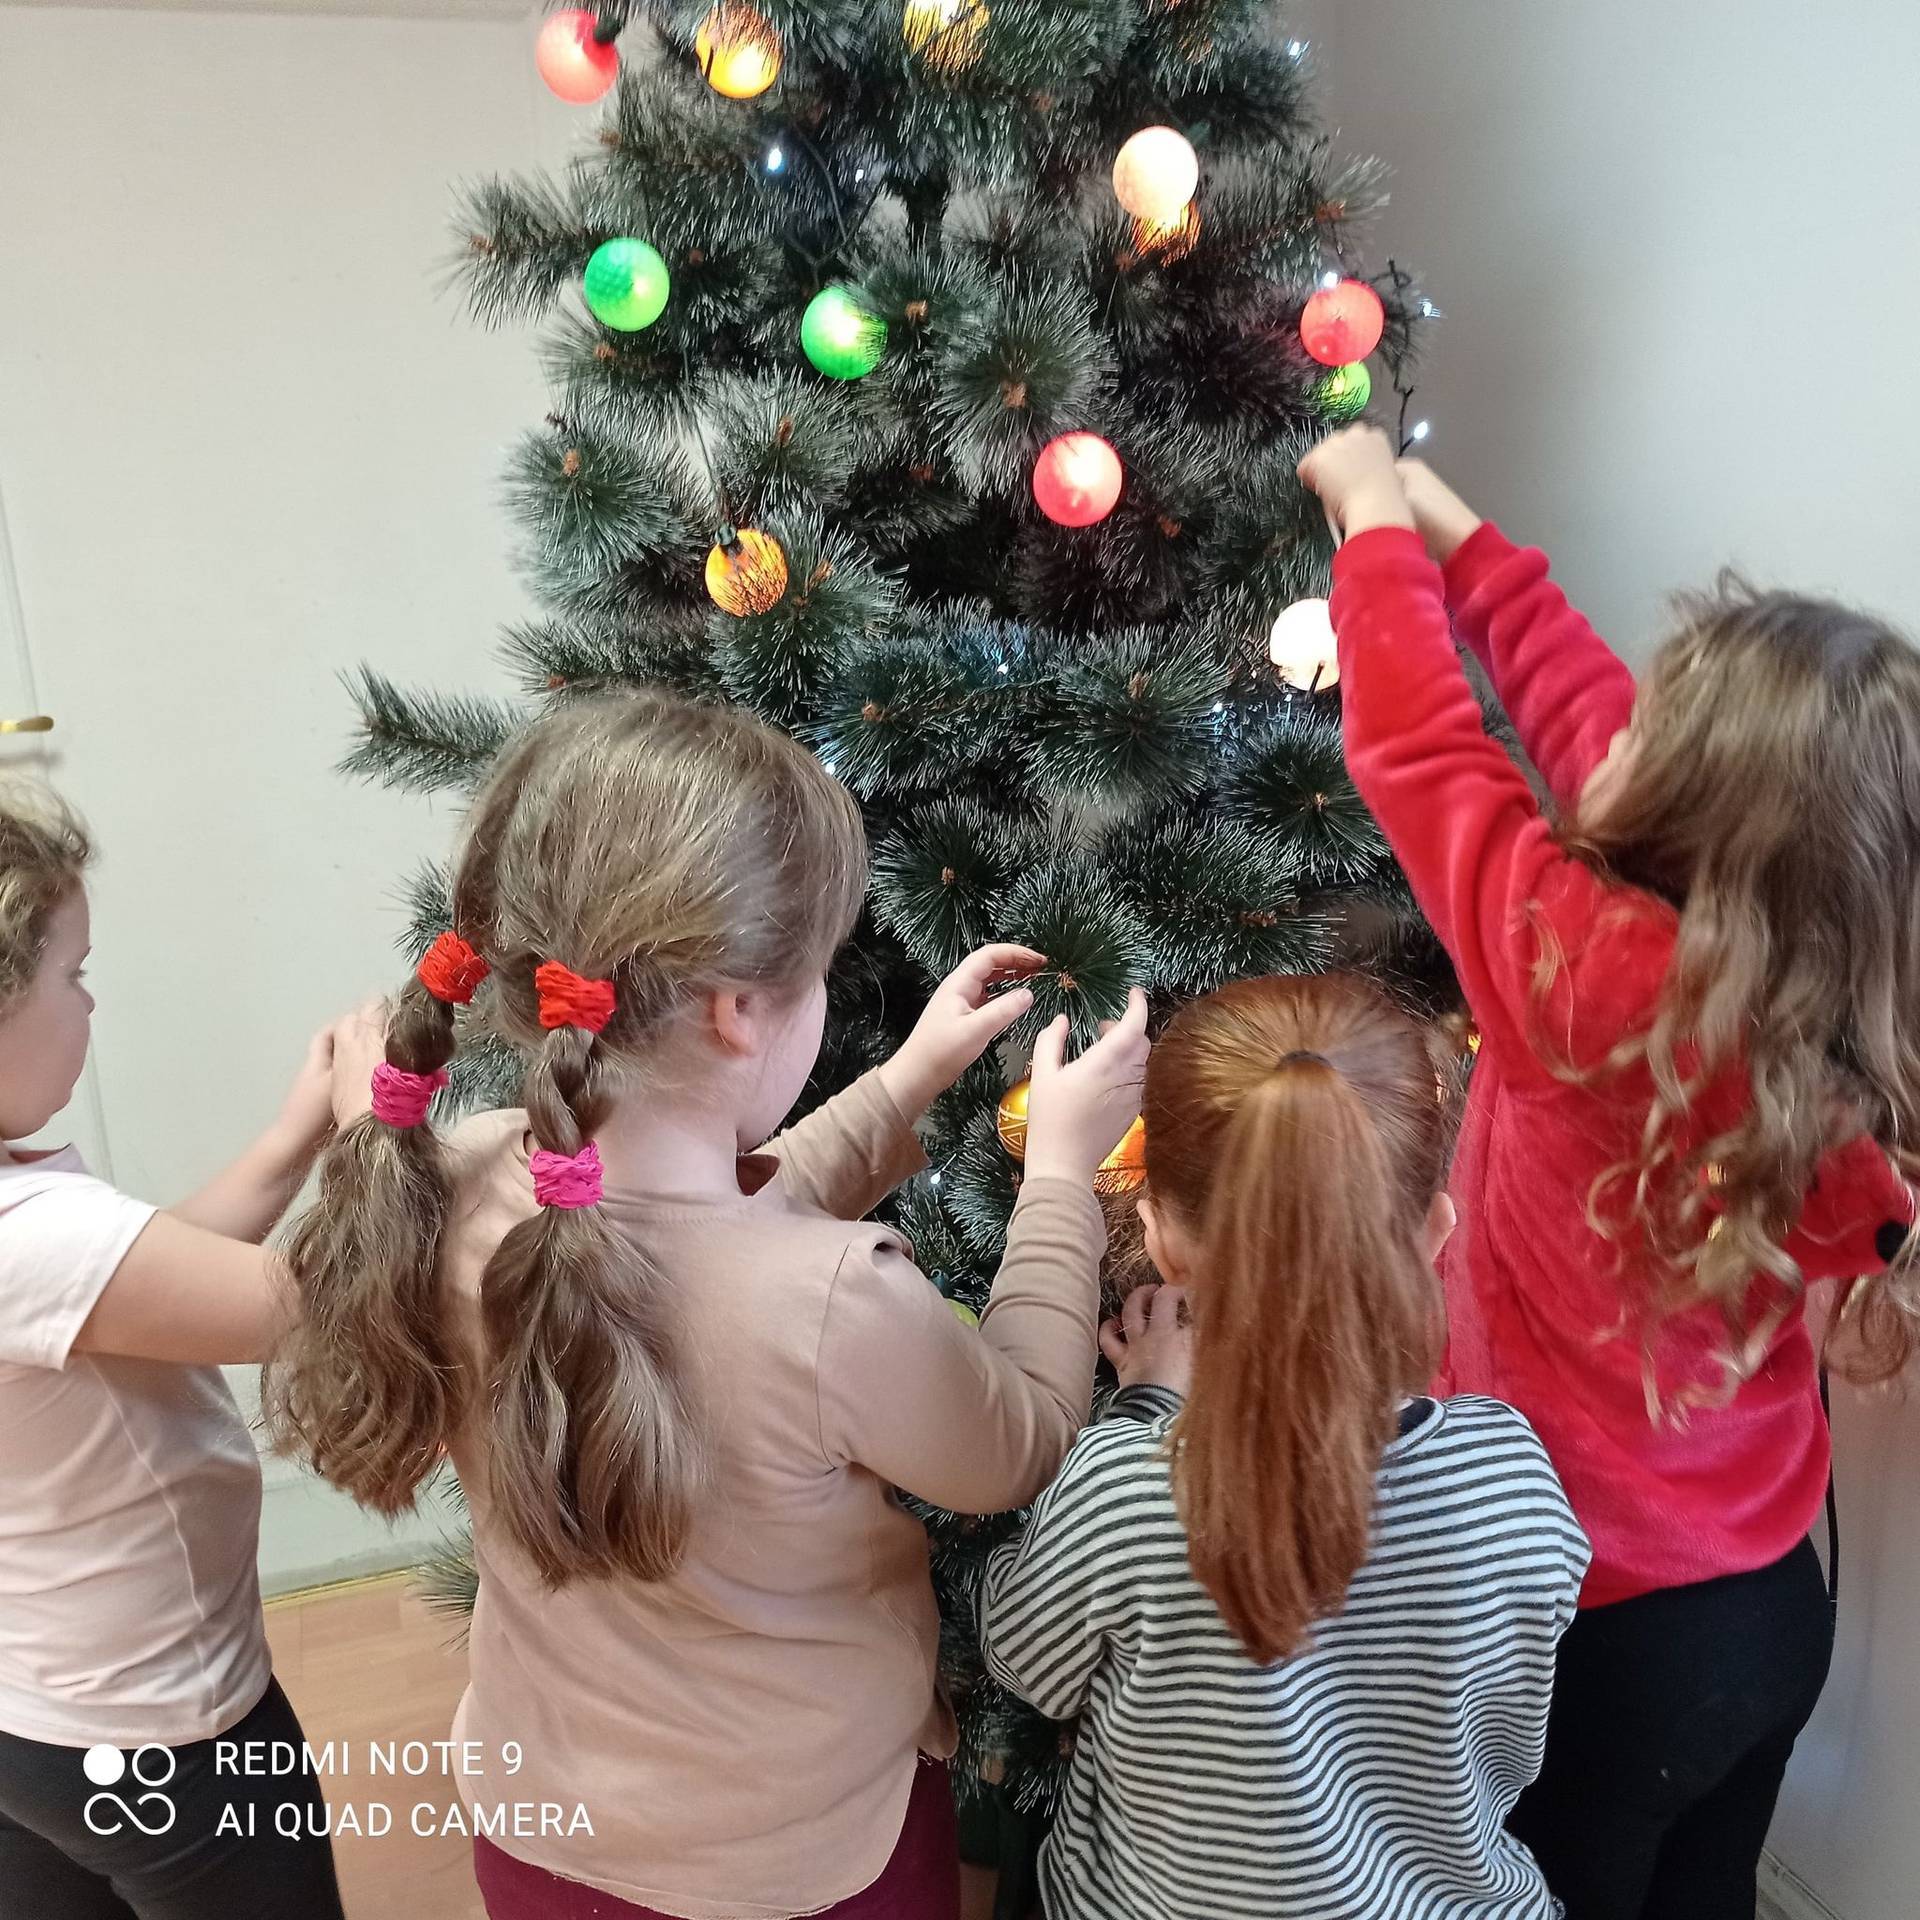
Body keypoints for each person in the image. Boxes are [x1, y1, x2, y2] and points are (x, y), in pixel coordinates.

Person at [266, 690, 1150, 1920]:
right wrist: (1057, 1176)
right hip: (801, 1864)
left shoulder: (464, 1178)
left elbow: (729, 1215)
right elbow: (1021, 1440)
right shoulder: (838, 1300)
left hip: (538, 1831)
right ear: (739, 1012)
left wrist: (906, 1083)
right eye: (820, 970)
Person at [1298, 426, 1920, 1920]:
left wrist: (1372, 517)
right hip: (1769, 1606)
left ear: (1688, 816)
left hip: (1596, 1631)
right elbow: (1586, 715)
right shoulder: (1831, 1016)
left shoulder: (1579, 977)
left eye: (1657, 727)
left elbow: (1419, 747)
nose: (1615, 726)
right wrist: (1458, 528)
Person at [979, 970, 1587, 1920]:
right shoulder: (1511, 1477)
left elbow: (1025, 1661)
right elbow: (1514, 1732)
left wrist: (1145, 1406)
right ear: (1434, 1229)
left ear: (1159, 1239)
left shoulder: (1127, 1485)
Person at [0, 782, 382, 1918]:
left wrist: (297, 1133)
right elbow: (319, 1307)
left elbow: (142, 1282)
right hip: (168, 1738)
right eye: (73, 975)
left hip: (34, 1716)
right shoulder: (28, 1235)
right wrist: (379, 1129)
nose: (90, 1002)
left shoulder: (33, 1227)